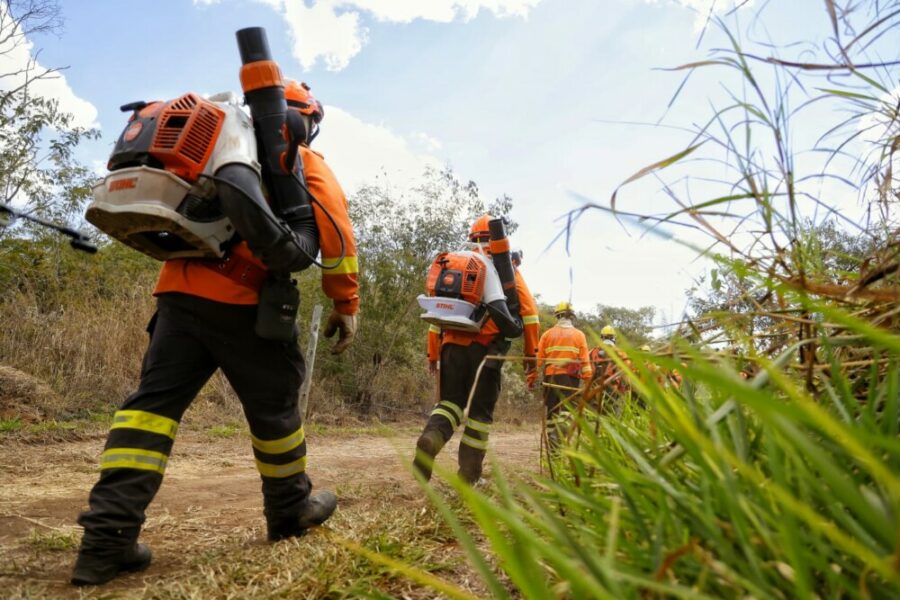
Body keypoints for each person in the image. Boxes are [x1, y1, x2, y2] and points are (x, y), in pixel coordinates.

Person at [71, 80, 359, 586]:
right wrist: (345, 301)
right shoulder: (299, 160)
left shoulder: (218, 144)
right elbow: (334, 238)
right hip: (246, 302)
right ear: (306, 120)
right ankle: (289, 512)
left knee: (149, 413)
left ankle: (105, 541)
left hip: (178, 297)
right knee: (276, 413)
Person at [414, 215, 540, 484]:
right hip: (487, 353)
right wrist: (531, 357)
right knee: (479, 416)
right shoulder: (506, 270)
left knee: (449, 404)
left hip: (451, 347)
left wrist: (433, 354)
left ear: (472, 238)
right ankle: (468, 476)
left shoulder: (456, 265)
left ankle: (429, 440)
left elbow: (438, 313)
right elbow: (529, 315)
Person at [534, 302, 592, 450]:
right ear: (572, 316)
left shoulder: (547, 334)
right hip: (570, 380)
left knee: (552, 412)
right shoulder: (579, 335)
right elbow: (585, 362)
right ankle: (558, 439)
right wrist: (588, 381)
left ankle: (552, 447)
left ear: (557, 316)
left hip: (550, 379)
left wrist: (531, 377)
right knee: (567, 413)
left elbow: (537, 360)